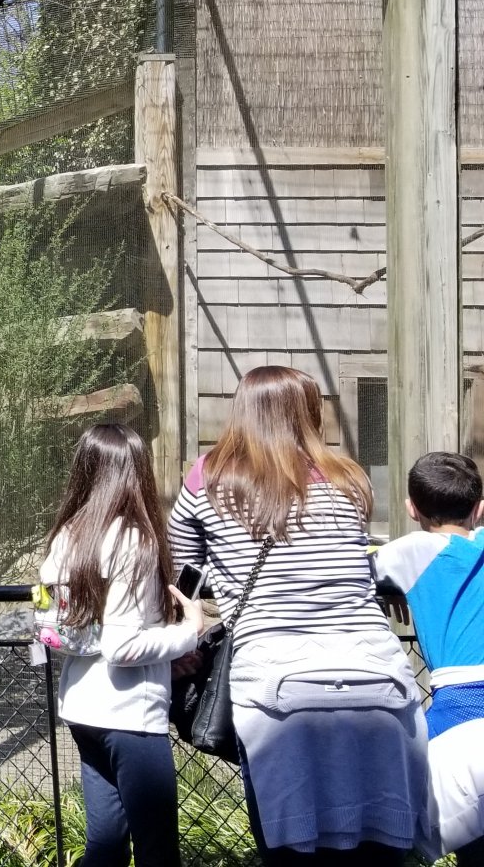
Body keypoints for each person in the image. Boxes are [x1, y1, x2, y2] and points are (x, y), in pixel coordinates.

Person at [168, 365, 431, 865]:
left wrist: (190, 629)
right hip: (377, 676)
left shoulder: (208, 479)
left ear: (242, 410)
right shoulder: (349, 478)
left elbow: (184, 577)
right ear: (309, 413)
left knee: (291, 848)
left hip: (276, 682)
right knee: (379, 846)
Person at [37, 423, 203, 867]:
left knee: (106, 845)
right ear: (136, 473)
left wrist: (166, 654)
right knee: (157, 850)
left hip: (82, 710)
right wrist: (190, 630)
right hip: (131, 716)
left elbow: (74, 628)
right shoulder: (134, 540)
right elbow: (122, 646)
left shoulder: (67, 537)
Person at [373, 451, 484, 865]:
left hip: (459, 708)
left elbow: (357, 572)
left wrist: (398, 591)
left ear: (411, 508)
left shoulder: (413, 551)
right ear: (479, 509)